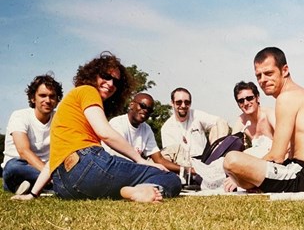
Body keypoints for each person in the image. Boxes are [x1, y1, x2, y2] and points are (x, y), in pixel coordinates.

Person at [13, 52, 181, 202]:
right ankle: (141, 189)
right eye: (105, 76)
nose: (110, 83)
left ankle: (127, 191)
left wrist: (33, 194)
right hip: (88, 165)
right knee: (171, 179)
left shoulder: (69, 108)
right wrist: (141, 161)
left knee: (119, 177)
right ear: (93, 75)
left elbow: (53, 160)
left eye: (116, 81)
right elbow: (105, 133)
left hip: (64, 187)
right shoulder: (87, 91)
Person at [223, 47, 304, 192]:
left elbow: (276, 156)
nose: (263, 80)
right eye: (259, 75)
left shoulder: (286, 97)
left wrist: (240, 174)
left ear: (284, 70)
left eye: (269, 73)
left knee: (231, 160)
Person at [2, 74, 63, 194]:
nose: (48, 100)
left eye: (52, 96)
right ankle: (52, 186)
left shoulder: (59, 118)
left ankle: (34, 187)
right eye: (42, 96)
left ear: (57, 100)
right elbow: (23, 151)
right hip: (21, 169)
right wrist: (49, 176)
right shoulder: (20, 116)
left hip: (47, 170)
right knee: (13, 166)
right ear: (33, 98)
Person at [104, 92, 182, 174]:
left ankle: (188, 177)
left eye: (149, 110)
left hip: (135, 167)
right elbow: (119, 158)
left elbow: (159, 159)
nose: (145, 111)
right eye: (143, 106)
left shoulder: (146, 129)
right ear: (131, 105)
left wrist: (186, 169)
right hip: (114, 167)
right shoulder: (118, 123)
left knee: (176, 150)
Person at [160, 87, 229, 162]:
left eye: (187, 102)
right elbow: (171, 156)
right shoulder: (167, 128)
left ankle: (216, 155)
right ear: (172, 103)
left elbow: (221, 121)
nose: (183, 106)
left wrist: (219, 145)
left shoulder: (196, 114)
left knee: (215, 127)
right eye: (179, 102)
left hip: (205, 159)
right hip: (183, 163)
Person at [231, 81, 276, 158]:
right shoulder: (241, 121)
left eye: (249, 98)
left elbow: (286, 141)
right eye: (241, 101)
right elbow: (232, 147)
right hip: (256, 162)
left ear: (257, 98)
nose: (246, 103)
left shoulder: (269, 114)